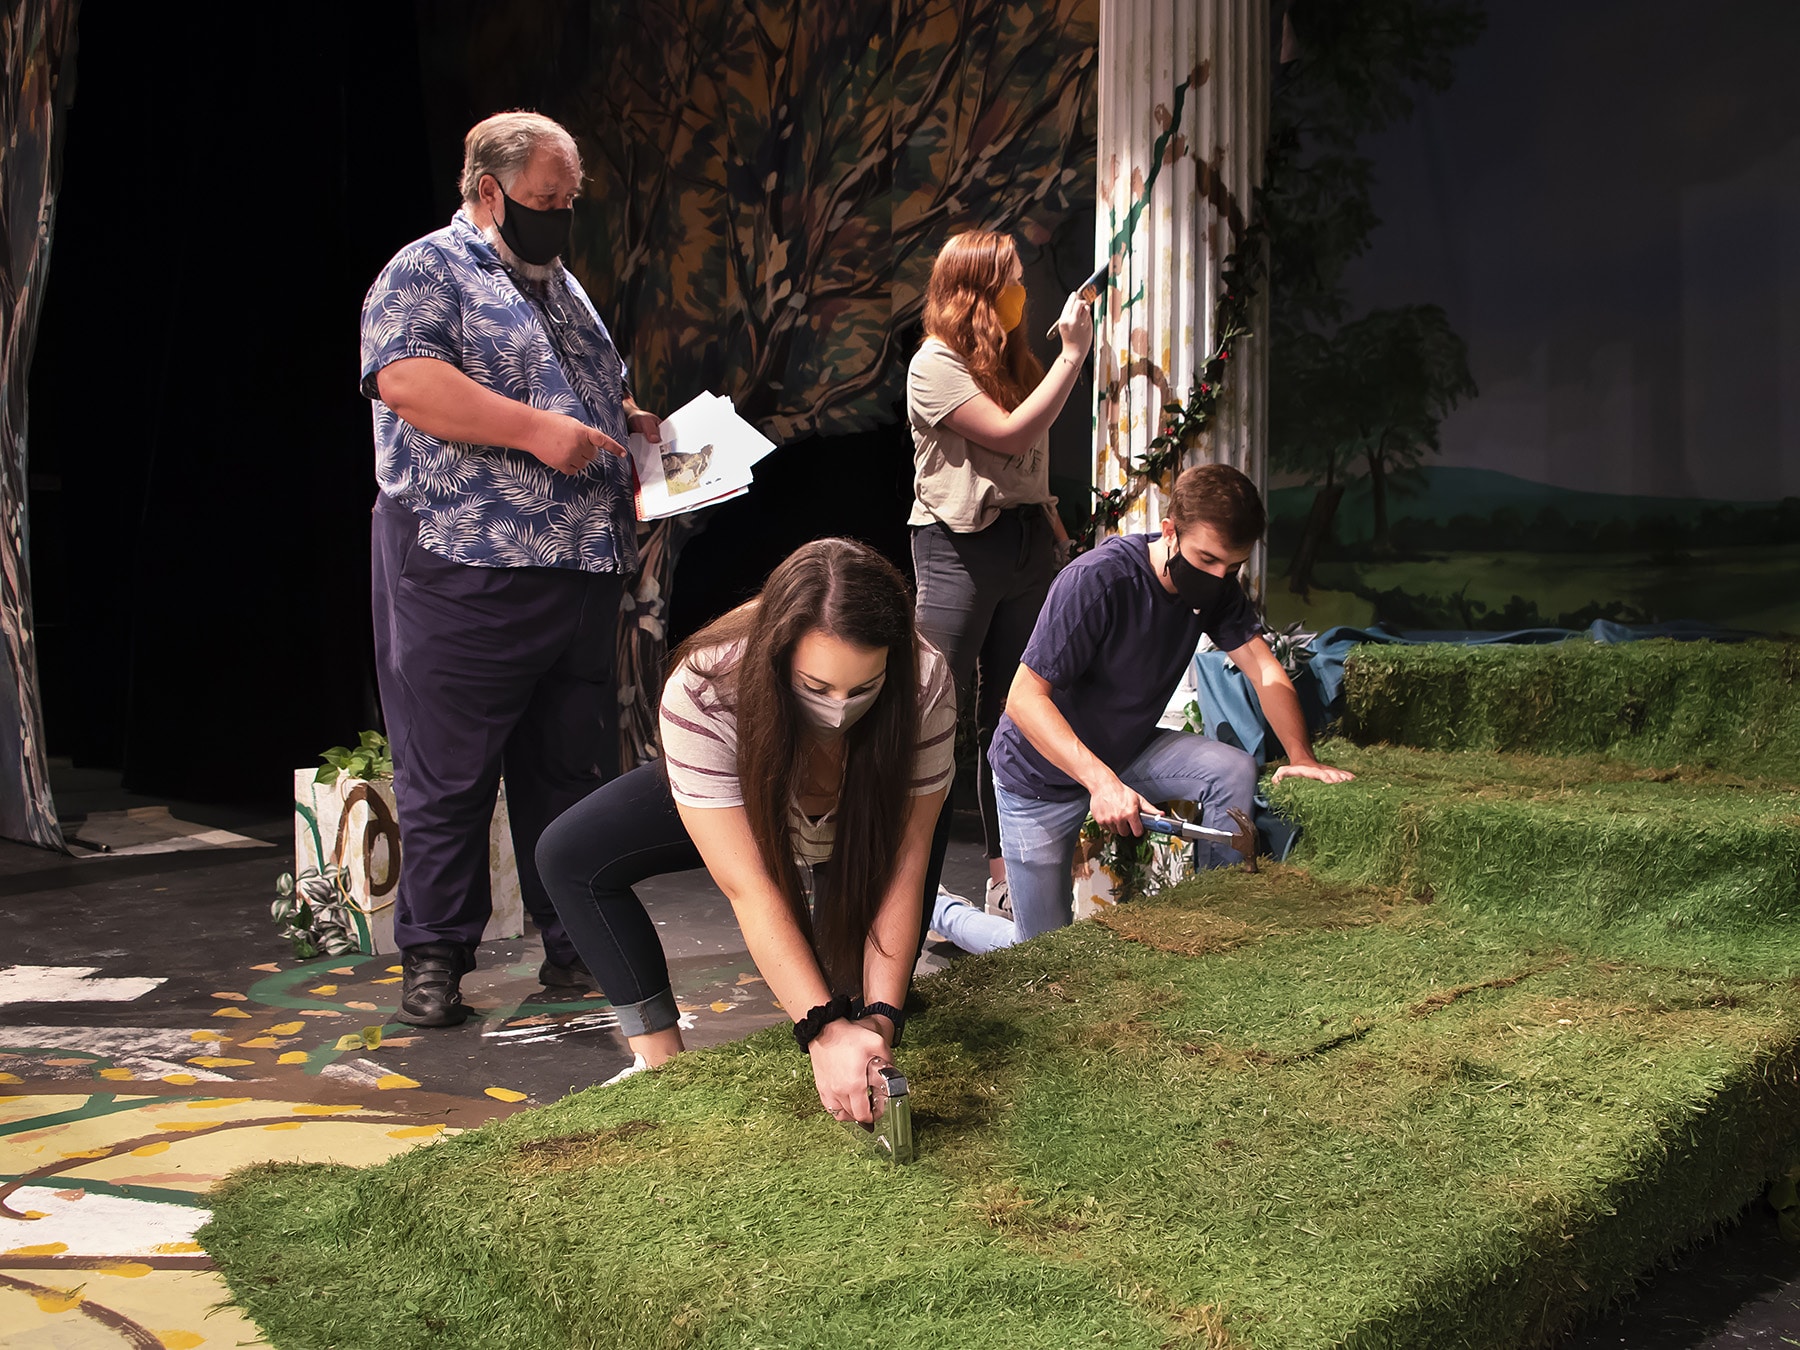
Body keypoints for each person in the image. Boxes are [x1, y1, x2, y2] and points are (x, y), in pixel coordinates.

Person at [360, 111, 663, 1027]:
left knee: (567, 772)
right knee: (449, 774)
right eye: (544, 199)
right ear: (488, 191)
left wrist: (631, 423)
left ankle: (573, 946)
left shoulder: (560, 286)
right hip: (468, 566)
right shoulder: (427, 269)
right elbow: (406, 380)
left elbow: (582, 389)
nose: (559, 216)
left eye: (569, 201)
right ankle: (435, 958)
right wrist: (537, 432)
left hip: (576, 571)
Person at [536, 539, 954, 1123]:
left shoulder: (925, 679)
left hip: (864, 814)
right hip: (748, 794)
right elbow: (749, 886)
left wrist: (879, 1021)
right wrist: (820, 1028)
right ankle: (661, 1065)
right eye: (817, 687)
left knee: (855, 1002)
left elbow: (906, 860)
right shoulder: (706, 686)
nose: (838, 710)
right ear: (778, 658)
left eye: (862, 689)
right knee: (569, 854)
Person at [989, 463, 1356, 939]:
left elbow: (1265, 670)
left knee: (1232, 769)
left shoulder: (1217, 589)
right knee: (1042, 948)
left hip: (1125, 750)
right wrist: (1101, 783)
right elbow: (1023, 700)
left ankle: (1218, 917)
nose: (1219, 577)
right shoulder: (1097, 580)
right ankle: (944, 912)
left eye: (1233, 566)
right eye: (1207, 559)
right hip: (1039, 776)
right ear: (1169, 531)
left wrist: (1301, 757)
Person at [907, 231, 1093, 922]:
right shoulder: (934, 363)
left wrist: (1055, 536)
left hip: (1023, 545)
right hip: (958, 548)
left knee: (1012, 717)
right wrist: (1073, 356)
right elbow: (1010, 434)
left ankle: (1004, 878)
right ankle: (904, 884)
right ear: (976, 291)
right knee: (932, 714)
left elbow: (1025, 469)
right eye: (1010, 279)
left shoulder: (1011, 360)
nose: (1022, 291)